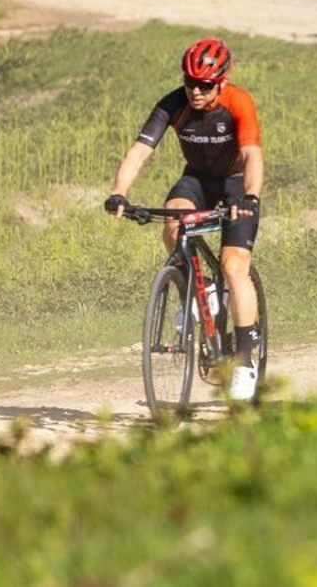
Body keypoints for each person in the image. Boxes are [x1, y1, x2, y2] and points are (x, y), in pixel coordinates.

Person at [104, 38, 265, 401]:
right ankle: (199, 291)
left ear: (222, 82)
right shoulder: (173, 104)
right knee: (173, 222)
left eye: (205, 85)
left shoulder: (238, 102)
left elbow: (252, 155)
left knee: (234, 267)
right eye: (189, 82)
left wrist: (251, 198)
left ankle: (243, 362)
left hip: (236, 184)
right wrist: (119, 193)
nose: (195, 91)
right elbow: (139, 152)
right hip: (197, 178)